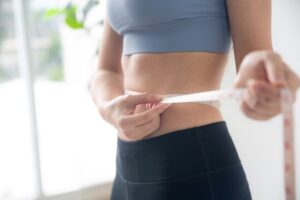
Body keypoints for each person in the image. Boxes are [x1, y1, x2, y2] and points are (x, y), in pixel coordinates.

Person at [89, 0, 300, 199]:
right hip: (126, 165)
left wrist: (265, 87)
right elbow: (106, 71)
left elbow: (256, 60)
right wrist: (110, 111)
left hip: (191, 161)